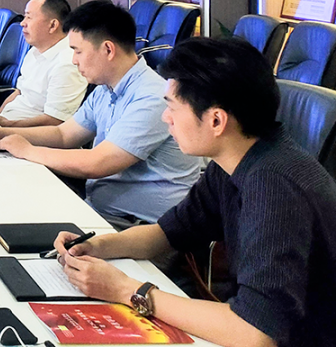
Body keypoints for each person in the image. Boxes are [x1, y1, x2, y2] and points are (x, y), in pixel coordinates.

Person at [53, 37, 336, 347]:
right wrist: (97, 246)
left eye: (172, 107)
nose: (166, 117)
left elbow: (255, 333)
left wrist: (126, 290)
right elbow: (168, 233)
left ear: (216, 120)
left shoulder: (275, 188)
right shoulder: (234, 161)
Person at [0, 0, 200, 226]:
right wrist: (4, 133)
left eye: (78, 51)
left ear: (108, 49)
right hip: (100, 210)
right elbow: (64, 135)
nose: (74, 61)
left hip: (139, 226)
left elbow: (98, 162)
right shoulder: (105, 88)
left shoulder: (152, 96)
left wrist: (27, 150)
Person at [0, 0, 88, 128]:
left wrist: (8, 126)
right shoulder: (34, 51)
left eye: (29, 17)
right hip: (8, 124)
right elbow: (19, 92)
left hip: (27, 133)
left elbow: (56, 120)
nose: (22, 23)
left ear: (53, 25)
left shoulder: (67, 63)